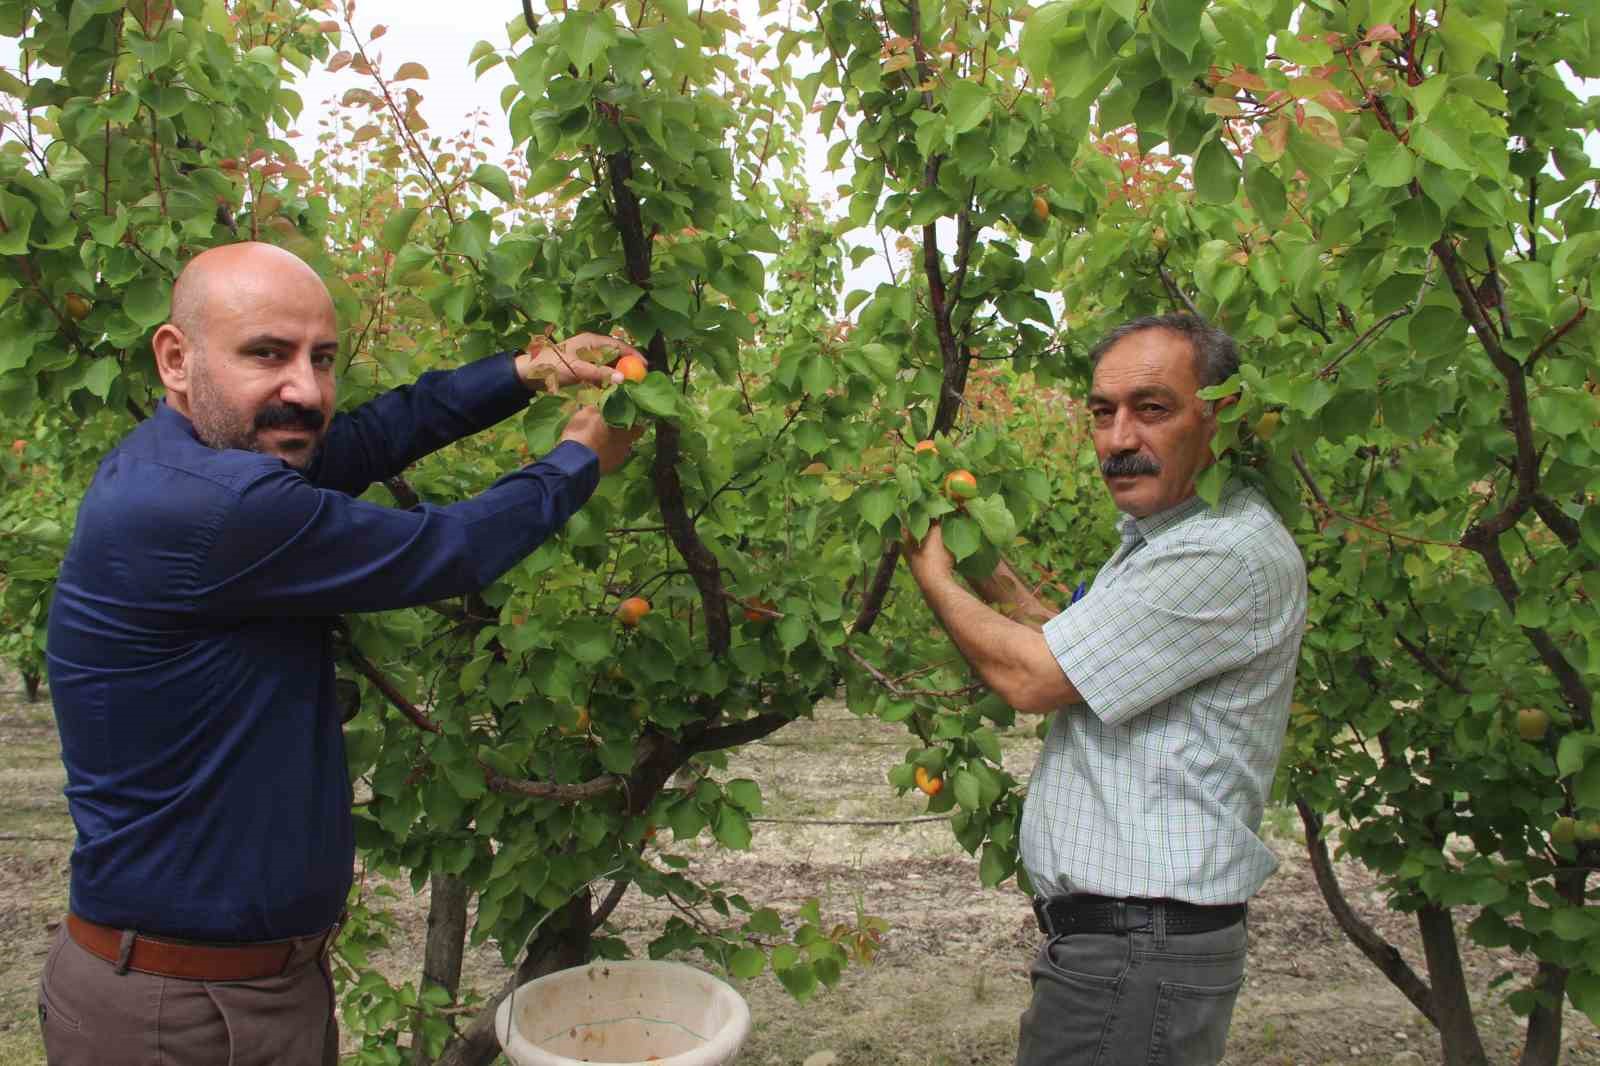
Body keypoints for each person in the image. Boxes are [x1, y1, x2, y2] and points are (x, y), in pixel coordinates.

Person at [39, 241, 641, 1066]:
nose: (305, 390)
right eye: (266, 354)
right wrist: (577, 461)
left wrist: (525, 371)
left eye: (322, 358)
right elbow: (449, 549)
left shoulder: (199, 462)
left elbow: (363, 439)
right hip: (180, 1015)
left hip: (239, 988)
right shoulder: (211, 508)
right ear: (176, 360)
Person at [902, 314, 1307, 1066]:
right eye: (1102, 412)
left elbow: (1034, 676)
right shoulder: (1171, 539)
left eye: (1152, 409)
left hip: (1138, 956)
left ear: (1219, 415)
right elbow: (1075, 646)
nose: (1119, 439)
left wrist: (932, 574)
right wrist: (982, 559)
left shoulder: (1223, 552)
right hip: (1128, 950)